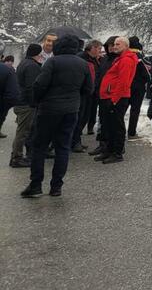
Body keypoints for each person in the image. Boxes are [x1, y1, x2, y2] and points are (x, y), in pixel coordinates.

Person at [19, 35, 93, 198]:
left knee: (39, 147)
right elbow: (88, 89)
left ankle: (36, 185)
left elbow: (40, 84)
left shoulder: (52, 62)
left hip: (49, 110)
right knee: (63, 147)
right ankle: (56, 186)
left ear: (58, 47)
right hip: (71, 110)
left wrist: (37, 101)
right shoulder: (83, 64)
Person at [97, 37, 138, 164]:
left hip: (117, 97)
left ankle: (117, 152)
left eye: (118, 44)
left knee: (116, 126)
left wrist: (114, 99)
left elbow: (123, 82)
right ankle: (109, 150)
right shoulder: (120, 59)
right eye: (114, 44)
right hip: (110, 96)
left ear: (126, 46)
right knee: (109, 125)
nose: (115, 46)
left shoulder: (126, 60)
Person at [9, 43, 44, 168]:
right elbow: (31, 87)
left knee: (23, 130)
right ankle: (16, 158)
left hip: (20, 101)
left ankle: (17, 156)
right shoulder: (32, 66)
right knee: (23, 132)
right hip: (26, 104)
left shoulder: (24, 63)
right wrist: (34, 102)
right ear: (37, 53)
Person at [70, 40, 102, 152]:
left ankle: (76, 140)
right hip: (82, 93)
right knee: (79, 118)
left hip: (91, 93)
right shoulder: (82, 58)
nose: (100, 51)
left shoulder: (94, 59)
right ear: (93, 48)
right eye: (99, 48)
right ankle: (75, 142)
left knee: (85, 117)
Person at [127, 37, 150, 138]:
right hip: (138, 88)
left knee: (121, 109)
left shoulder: (124, 56)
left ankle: (117, 130)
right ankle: (131, 132)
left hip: (126, 86)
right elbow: (147, 74)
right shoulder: (141, 58)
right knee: (135, 110)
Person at [0, 53, 16, 138]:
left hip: (4, 98)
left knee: (2, 117)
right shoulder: (7, 70)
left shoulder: (12, 70)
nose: (10, 64)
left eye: (11, 62)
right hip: (3, 98)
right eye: (8, 62)